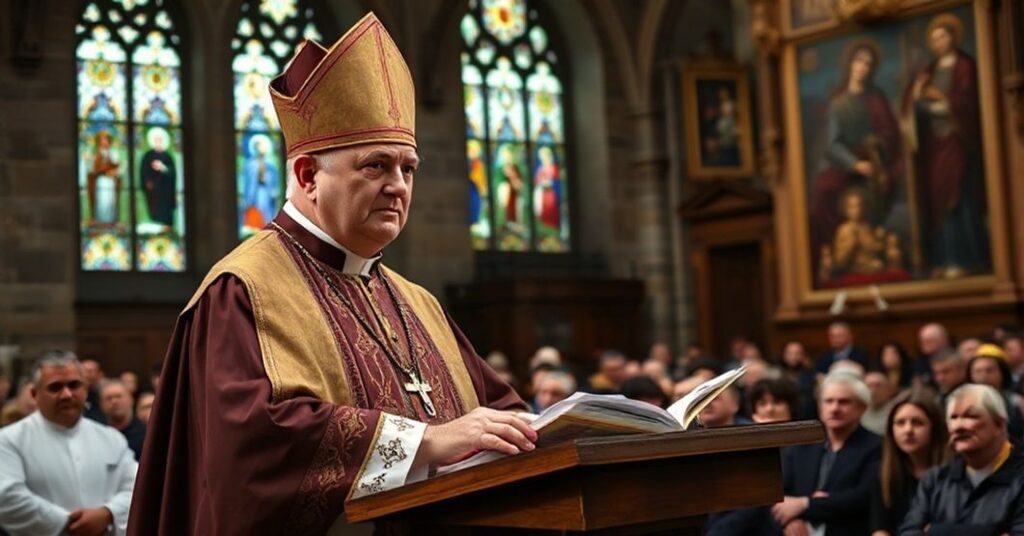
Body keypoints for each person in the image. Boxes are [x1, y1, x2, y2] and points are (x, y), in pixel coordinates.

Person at [128, 15, 534, 535]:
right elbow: (251, 451)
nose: (398, 186)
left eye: (408, 168)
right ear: (306, 175)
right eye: (376, 166)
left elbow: (498, 412)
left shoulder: (417, 302)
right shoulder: (243, 289)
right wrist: (428, 443)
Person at [0, 351, 136, 535]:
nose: (66, 394)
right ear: (34, 394)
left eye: (74, 385)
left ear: (86, 389)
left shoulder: (111, 439)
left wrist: (107, 514)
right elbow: (6, 497)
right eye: (55, 387)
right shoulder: (9, 440)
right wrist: (67, 524)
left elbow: (136, 487)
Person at [903, 14, 988, 279]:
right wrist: (917, 95)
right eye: (934, 39)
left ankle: (964, 257)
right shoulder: (929, 70)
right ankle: (942, 257)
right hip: (934, 144)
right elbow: (912, 105)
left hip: (956, 138)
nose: (939, 42)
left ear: (953, 36)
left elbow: (968, 101)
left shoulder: (964, 65)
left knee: (957, 192)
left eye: (943, 36)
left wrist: (941, 99)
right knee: (937, 196)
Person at [811, 40, 901, 283]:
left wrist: (878, 144)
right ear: (850, 64)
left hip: (875, 158)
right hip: (848, 162)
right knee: (823, 190)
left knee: (888, 183)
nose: (862, 67)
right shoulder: (838, 103)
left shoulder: (876, 98)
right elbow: (831, 146)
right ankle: (838, 258)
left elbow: (890, 133)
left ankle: (873, 252)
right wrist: (854, 164)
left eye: (868, 63)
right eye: (858, 61)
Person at [900, 384, 1024, 534]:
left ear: (999, 424)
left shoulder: (1019, 478)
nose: (959, 426)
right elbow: (909, 531)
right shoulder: (936, 479)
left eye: (971, 416)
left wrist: (935, 531)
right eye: (953, 418)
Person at [773, 372, 881, 536]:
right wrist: (791, 519)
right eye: (828, 401)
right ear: (819, 407)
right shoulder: (801, 446)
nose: (834, 408)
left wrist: (806, 504)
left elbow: (864, 496)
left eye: (843, 402)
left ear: (862, 408)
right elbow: (780, 492)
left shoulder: (876, 446)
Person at [869, 390, 947, 536]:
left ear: (935, 427)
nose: (908, 430)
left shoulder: (953, 471)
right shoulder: (883, 471)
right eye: (900, 423)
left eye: (917, 423)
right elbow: (880, 528)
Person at [966, 343, 1024, 441]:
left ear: (1002, 373)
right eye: (978, 371)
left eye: (989, 370)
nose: (983, 376)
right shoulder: (963, 403)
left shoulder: (1017, 402)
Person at [139, 126, 177, 227]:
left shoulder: (167, 156)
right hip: (153, 191)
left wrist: (163, 168)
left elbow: (172, 173)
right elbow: (143, 172)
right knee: (155, 211)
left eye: (160, 139)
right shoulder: (148, 156)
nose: (158, 141)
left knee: (165, 212)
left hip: (166, 190)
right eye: (156, 139)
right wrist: (148, 182)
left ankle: (167, 227)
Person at [99, 380, 146, 461]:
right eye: (109, 398)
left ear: (131, 400)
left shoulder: (145, 434)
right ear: (101, 405)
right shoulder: (97, 435)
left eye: (118, 396)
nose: (114, 401)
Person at [780, 341, 817, 419]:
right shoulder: (778, 377)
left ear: (803, 355)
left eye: (797, 353)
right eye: (790, 353)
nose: (793, 357)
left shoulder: (813, 376)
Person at [80, 358, 107, 424]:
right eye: (82, 371)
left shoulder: (105, 395)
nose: (85, 375)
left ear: (100, 375)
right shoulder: (71, 395)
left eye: (89, 371)